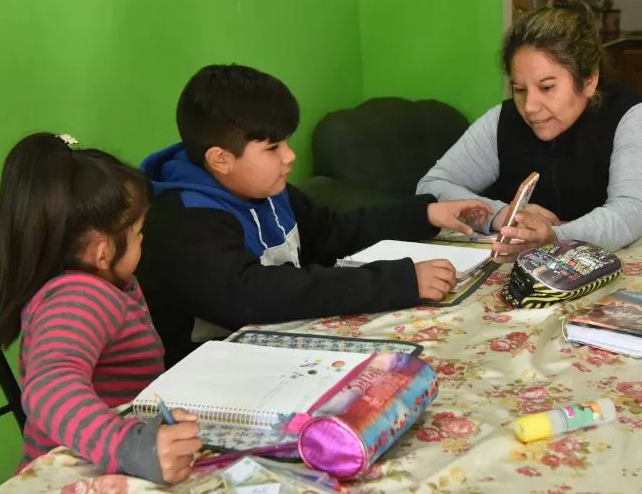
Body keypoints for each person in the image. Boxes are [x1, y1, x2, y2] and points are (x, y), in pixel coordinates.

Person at [137, 64, 489, 366]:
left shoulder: (266, 189)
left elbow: (331, 234)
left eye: (287, 142)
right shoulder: (185, 220)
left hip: (278, 348)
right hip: (214, 371)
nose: (289, 156)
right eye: (273, 148)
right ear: (220, 159)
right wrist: (397, 281)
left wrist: (425, 215)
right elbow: (253, 296)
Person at [0, 133, 201, 484]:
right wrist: (126, 446)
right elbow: (49, 386)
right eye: (138, 231)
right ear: (103, 252)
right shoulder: (79, 297)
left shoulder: (105, 285)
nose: (143, 240)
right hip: (72, 480)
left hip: (109, 462)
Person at [417, 0, 642, 258]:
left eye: (547, 87)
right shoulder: (503, 121)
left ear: (588, 80)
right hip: (529, 279)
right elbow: (432, 186)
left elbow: (628, 213)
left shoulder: (634, 117)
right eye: (519, 89)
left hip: (635, 272)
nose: (529, 106)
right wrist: (502, 215)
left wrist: (555, 237)